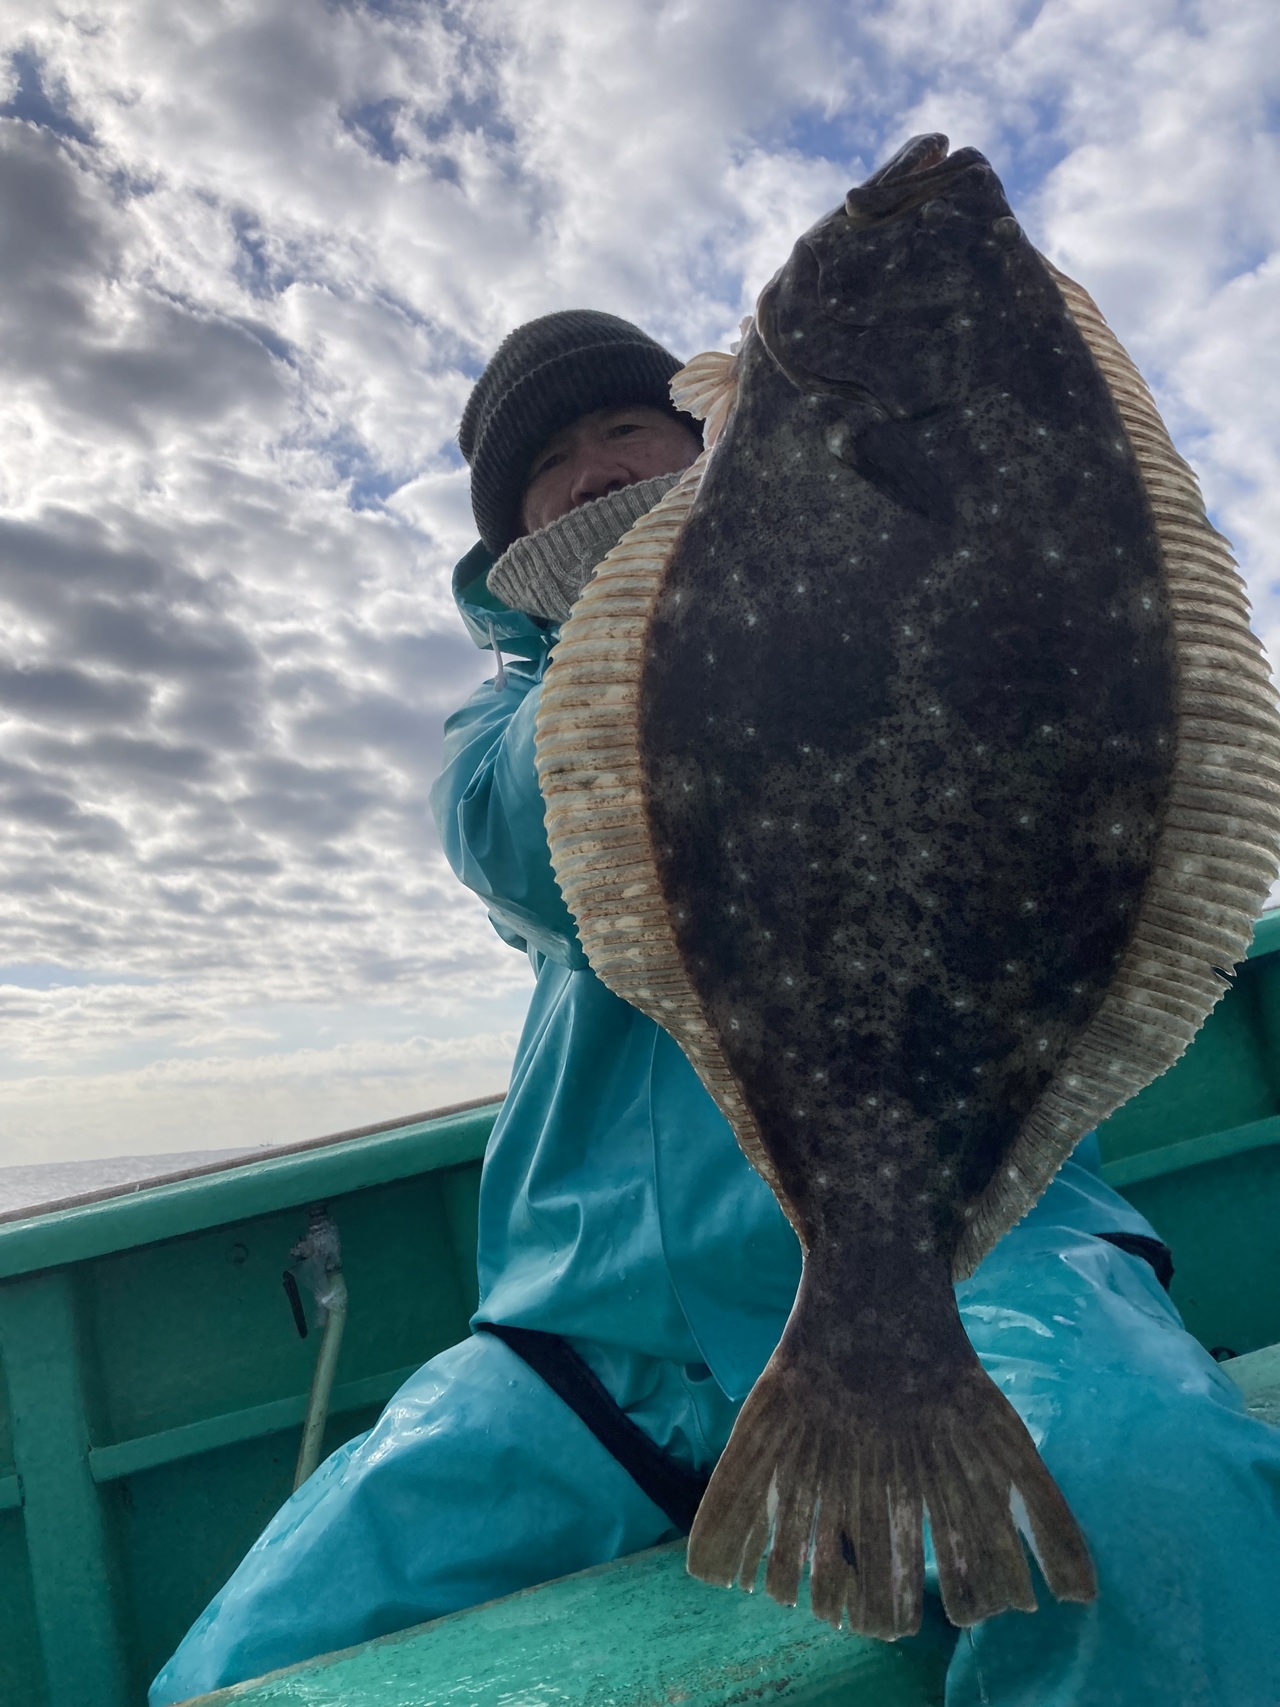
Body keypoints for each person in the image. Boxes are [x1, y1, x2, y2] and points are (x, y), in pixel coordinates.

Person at [151, 311, 1280, 1707]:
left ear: (708, 435)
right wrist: (655, 596)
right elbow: (529, 841)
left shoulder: (892, 609)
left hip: (974, 1257)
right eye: (546, 465)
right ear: (511, 546)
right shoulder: (495, 736)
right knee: (247, 1671)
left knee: (1138, 1495)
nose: (591, 469)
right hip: (595, 1343)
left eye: (625, 428)